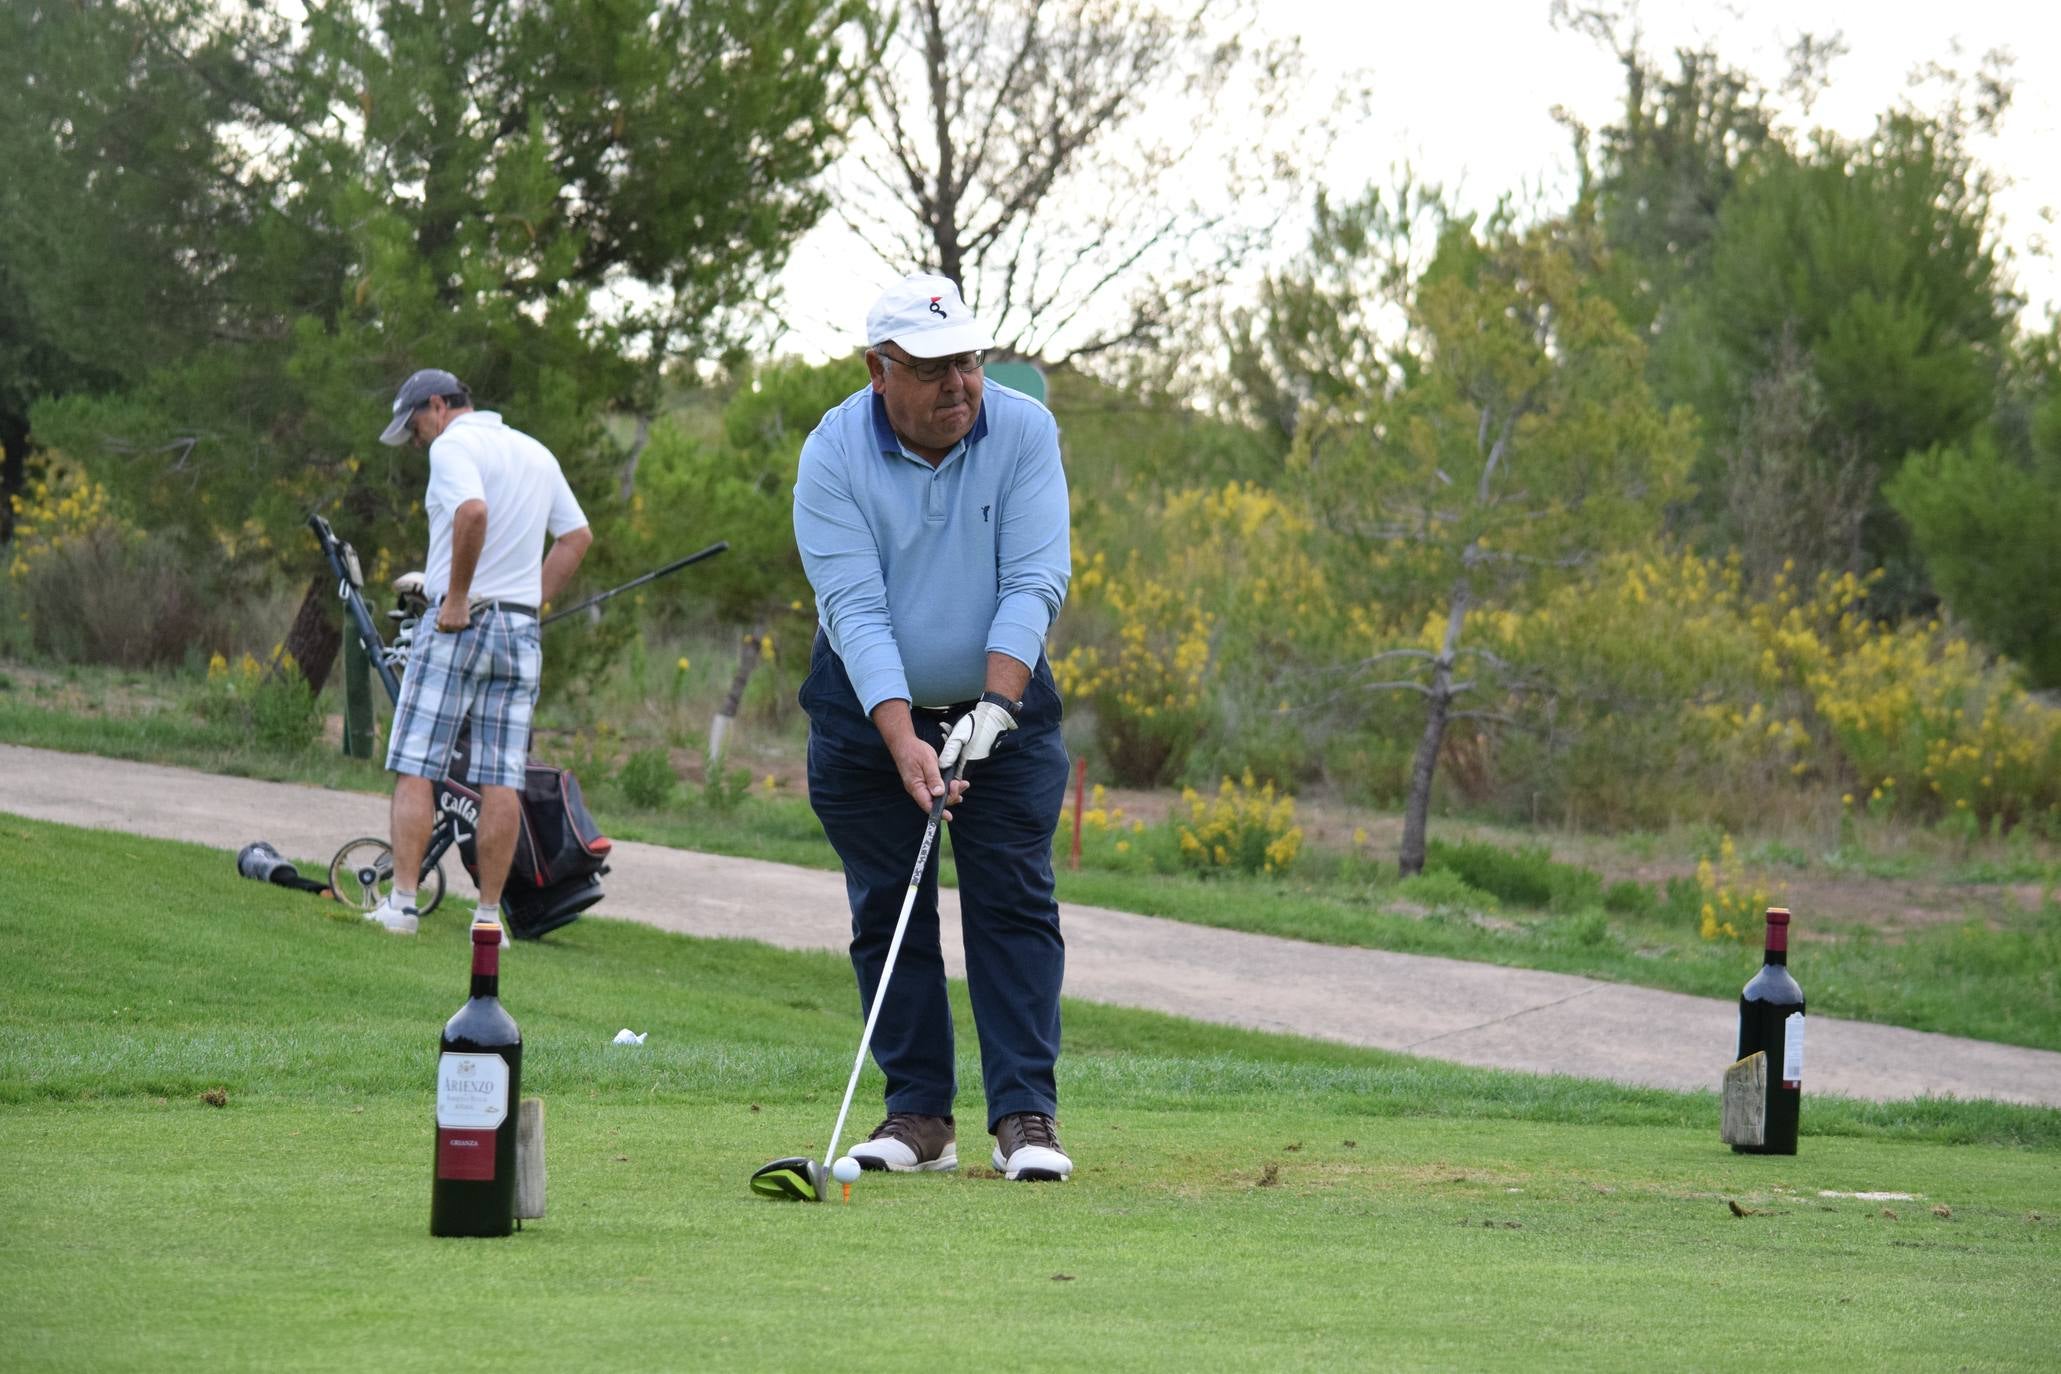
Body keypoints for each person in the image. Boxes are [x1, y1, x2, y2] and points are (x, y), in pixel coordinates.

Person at [792, 274, 1074, 1181]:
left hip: (1006, 698)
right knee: (889, 903)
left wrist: (994, 709)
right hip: (865, 710)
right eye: (932, 367)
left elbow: (1032, 580)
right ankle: (917, 1117)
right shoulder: (832, 453)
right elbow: (854, 611)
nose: (958, 384)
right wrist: (900, 734)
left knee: (1012, 899)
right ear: (880, 370)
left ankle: (1024, 1118)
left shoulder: (1025, 430)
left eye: (969, 360)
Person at [366, 368, 592, 939]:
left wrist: (459, 598)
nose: (417, 439)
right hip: (518, 632)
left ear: (438, 406)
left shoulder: (453, 446)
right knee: (501, 776)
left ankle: (403, 905)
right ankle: (488, 918)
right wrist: (531, 600)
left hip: (461, 623)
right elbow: (576, 538)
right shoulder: (535, 452)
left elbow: (472, 513)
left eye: (415, 425)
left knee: (417, 762)